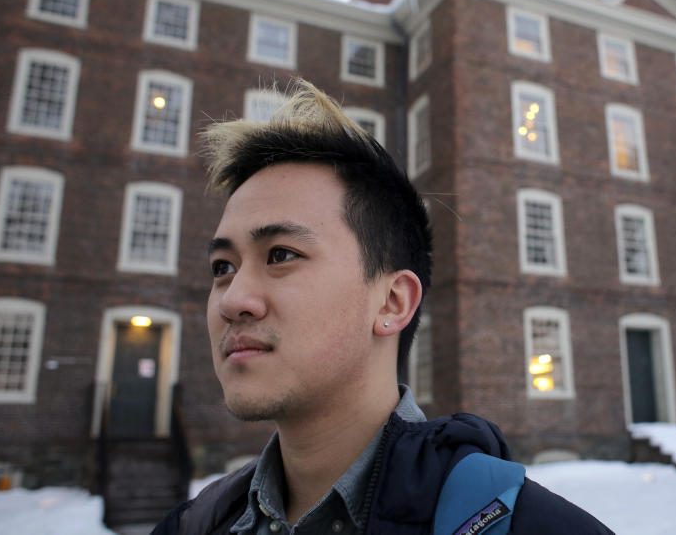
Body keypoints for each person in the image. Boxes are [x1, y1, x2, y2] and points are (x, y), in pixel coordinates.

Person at [153, 79, 613, 534]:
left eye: (281, 255)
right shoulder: (192, 525)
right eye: (222, 267)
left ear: (392, 302)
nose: (233, 300)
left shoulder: (533, 527)